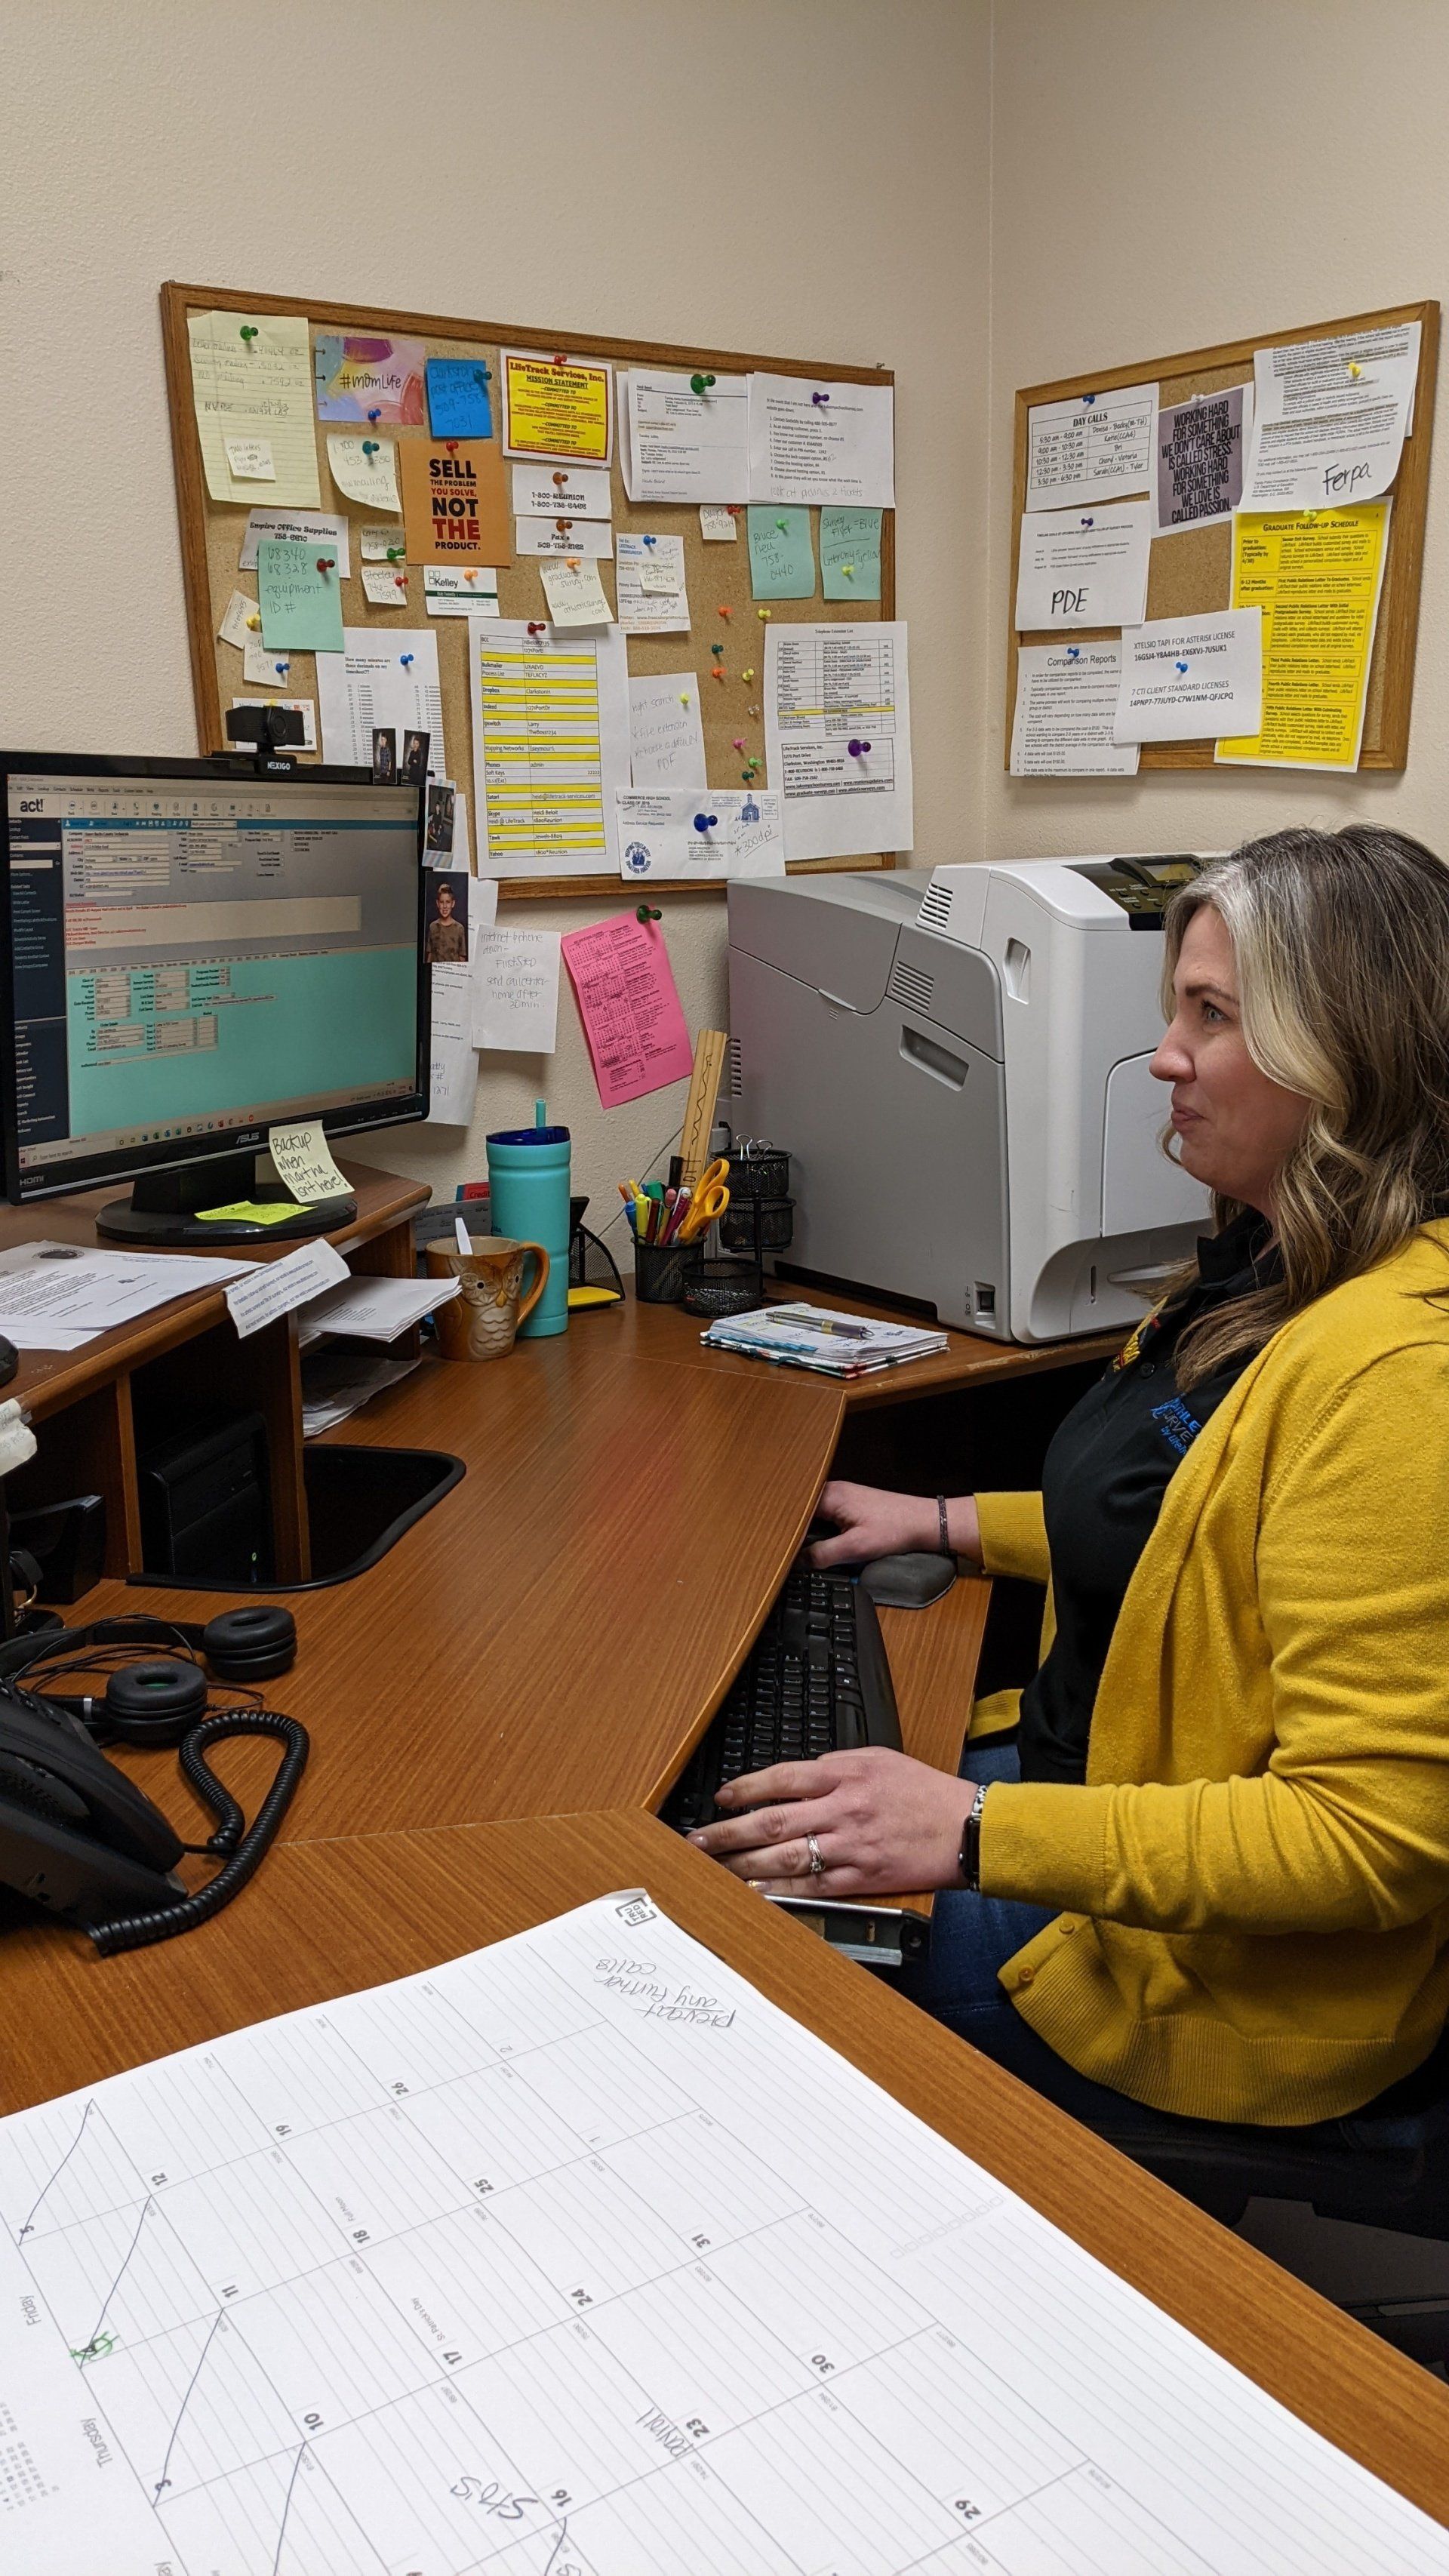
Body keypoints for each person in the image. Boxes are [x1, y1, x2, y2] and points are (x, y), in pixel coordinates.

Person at [690, 826, 1449, 2137]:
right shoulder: (1274, 1261)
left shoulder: (1395, 1376)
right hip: (1103, 1791)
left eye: (1210, 1016)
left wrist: (977, 1829)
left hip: (1203, 1974)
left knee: (726, 1962)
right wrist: (944, 1522)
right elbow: (1183, 1525)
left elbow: (1362, 1838)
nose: (1164, 1055)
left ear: (1346, 1054)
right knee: (762, 1796)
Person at [425, 879, 467, 964]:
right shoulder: (432, 927)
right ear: (437, 903)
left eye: (448, 902)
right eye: (441, 902)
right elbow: (430, 955)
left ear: (453, 903)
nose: (444, 906)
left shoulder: (459, 928)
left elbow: (462, 957)